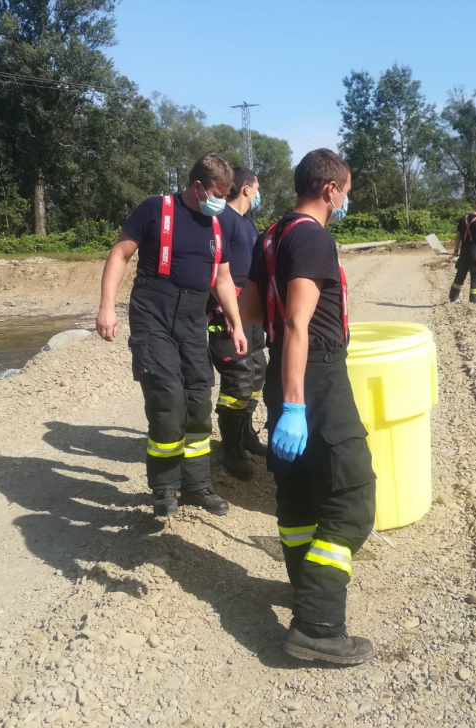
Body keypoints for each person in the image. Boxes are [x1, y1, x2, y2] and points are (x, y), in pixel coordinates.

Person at [239, 149, 377, 665]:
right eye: (347, 190)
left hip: (284, 372)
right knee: (352, 495)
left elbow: (254, 310)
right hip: (313, 377)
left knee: (297, 489)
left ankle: (305, 589)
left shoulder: (271, 235)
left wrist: (285, 394)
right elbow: (298, 323)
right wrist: (297, 405)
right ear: (330, 190)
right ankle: (318, 627)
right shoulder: (313, 235)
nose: (347, 200)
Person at [96, 153, 246, 519]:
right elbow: (120, 255)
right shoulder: (154, 210)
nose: (220, 202)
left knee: (198, 398)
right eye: (215, 193)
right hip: (154, 313)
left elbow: (223, 279)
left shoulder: (218, 224)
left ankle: (196, 485)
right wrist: (106, 306)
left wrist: (237, 324)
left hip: (194, 317)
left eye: (226, 196)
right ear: (197, 186)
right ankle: (165, 488)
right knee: (168, 400)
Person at [209, 168, 267, 480]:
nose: (258, 195)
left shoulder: (247, 222)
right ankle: (229, 448)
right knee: (239, 378)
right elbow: (218, 274)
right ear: (245, 189)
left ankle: (245, 433)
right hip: (227, 315)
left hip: (249, 312)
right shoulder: (223, 221)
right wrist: (230, 316)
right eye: (256, 189)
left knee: (257, 372)